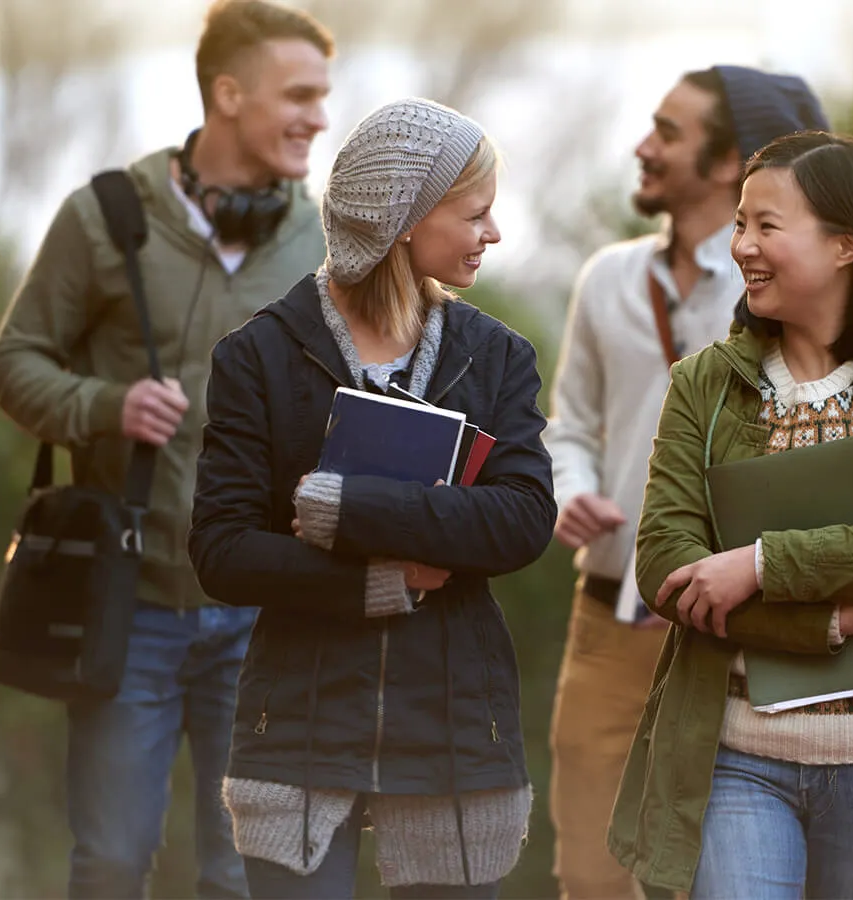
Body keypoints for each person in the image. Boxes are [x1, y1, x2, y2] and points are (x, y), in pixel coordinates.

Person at [0, 1, 332, 896]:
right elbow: (14, 363)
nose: (318, 117)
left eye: (322, 96)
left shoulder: (324, 240)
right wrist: (104, 405)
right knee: (109, 861)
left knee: (241, 870)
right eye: (298, 94)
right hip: (125, 604)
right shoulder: (105, 216)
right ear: (227, 94)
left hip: (264, 611)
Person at [607, 132, 853, 900]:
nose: (741, 246)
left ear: (845, 244)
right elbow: (665, 563)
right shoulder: (704, 385)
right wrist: (817, 626)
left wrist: (756, 565)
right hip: (733, 756)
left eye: (766, 226)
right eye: (740, 223)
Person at [188, 98, 555, 900]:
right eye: (477, 214)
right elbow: (220, 550)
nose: (494, 233)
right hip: (296, 733)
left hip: (455, 736)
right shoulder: (257, 358)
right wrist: (377, 583)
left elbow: (524, 519)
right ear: (405, 220)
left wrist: (347, 508)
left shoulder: (496, 358)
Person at [544, 65, 829, 900]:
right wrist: (572, 488)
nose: (643, 147)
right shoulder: (606, 278)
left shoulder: (783, 292)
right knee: (590, 878)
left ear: (730, 160)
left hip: (739, 629)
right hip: (606, 619)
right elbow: (570, 424)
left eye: (668, 133)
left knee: (727, 878)